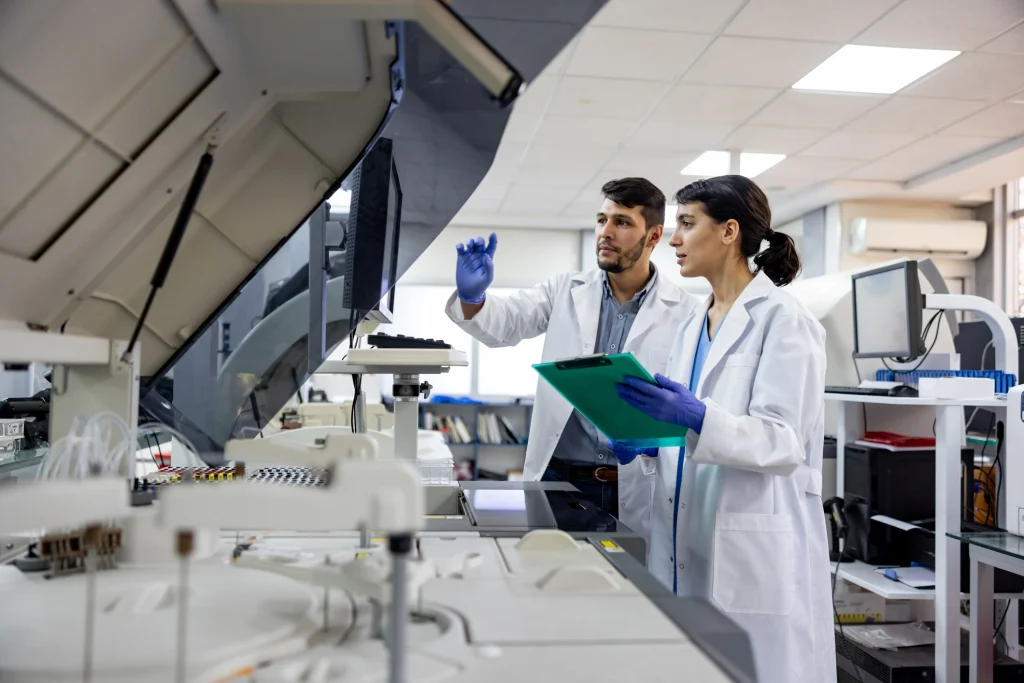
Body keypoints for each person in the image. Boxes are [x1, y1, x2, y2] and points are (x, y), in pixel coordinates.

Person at [613, 175, 835, 683]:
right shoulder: (694, 321)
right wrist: (651, 443)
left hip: (750, 549)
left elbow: (783, 443)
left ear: (730, 231)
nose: (673, 239)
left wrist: (696, 416)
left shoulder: (783, 319)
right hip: (687, 539)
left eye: (688, 224)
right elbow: (688, 434)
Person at [445, 178, 697, 548]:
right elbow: (509, 322)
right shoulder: (566, 289)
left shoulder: (686, 312)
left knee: (626, 589)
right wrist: (474, 296)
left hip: (633, 482)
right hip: (559, 479)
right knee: (549, 580)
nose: (605, 232)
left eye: (622, 223)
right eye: (601, 220)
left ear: (654, 235)